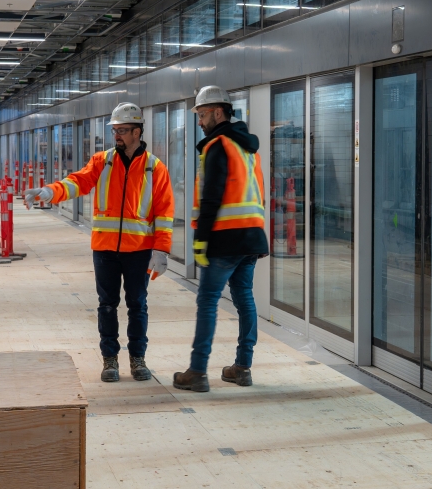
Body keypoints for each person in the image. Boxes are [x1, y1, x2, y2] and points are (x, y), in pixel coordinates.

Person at [24, 103, 174, 383]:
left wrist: (161, 250)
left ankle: (138, 358)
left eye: (122, 130)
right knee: (107, 304)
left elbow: (164, 212)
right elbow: (77, 182)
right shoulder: (102, 161)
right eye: (114, 130)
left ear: (137, 132)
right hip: (104, 248)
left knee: (137, 305)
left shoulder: (155, 168)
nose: (116, 135)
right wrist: (49, 191)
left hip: (139, 250)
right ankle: (110, 359)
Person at [173, 86, 269, 393]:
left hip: (226, 238)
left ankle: (198, 371)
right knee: (245, 300)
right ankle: (242, 368)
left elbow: (211, 197)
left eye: (202, 115)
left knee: (208, 301)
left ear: (218, 112)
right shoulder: (248, 148)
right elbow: (259, 194)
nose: (199, 122)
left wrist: (200, 240)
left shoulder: (217, 146)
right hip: (252, 237)